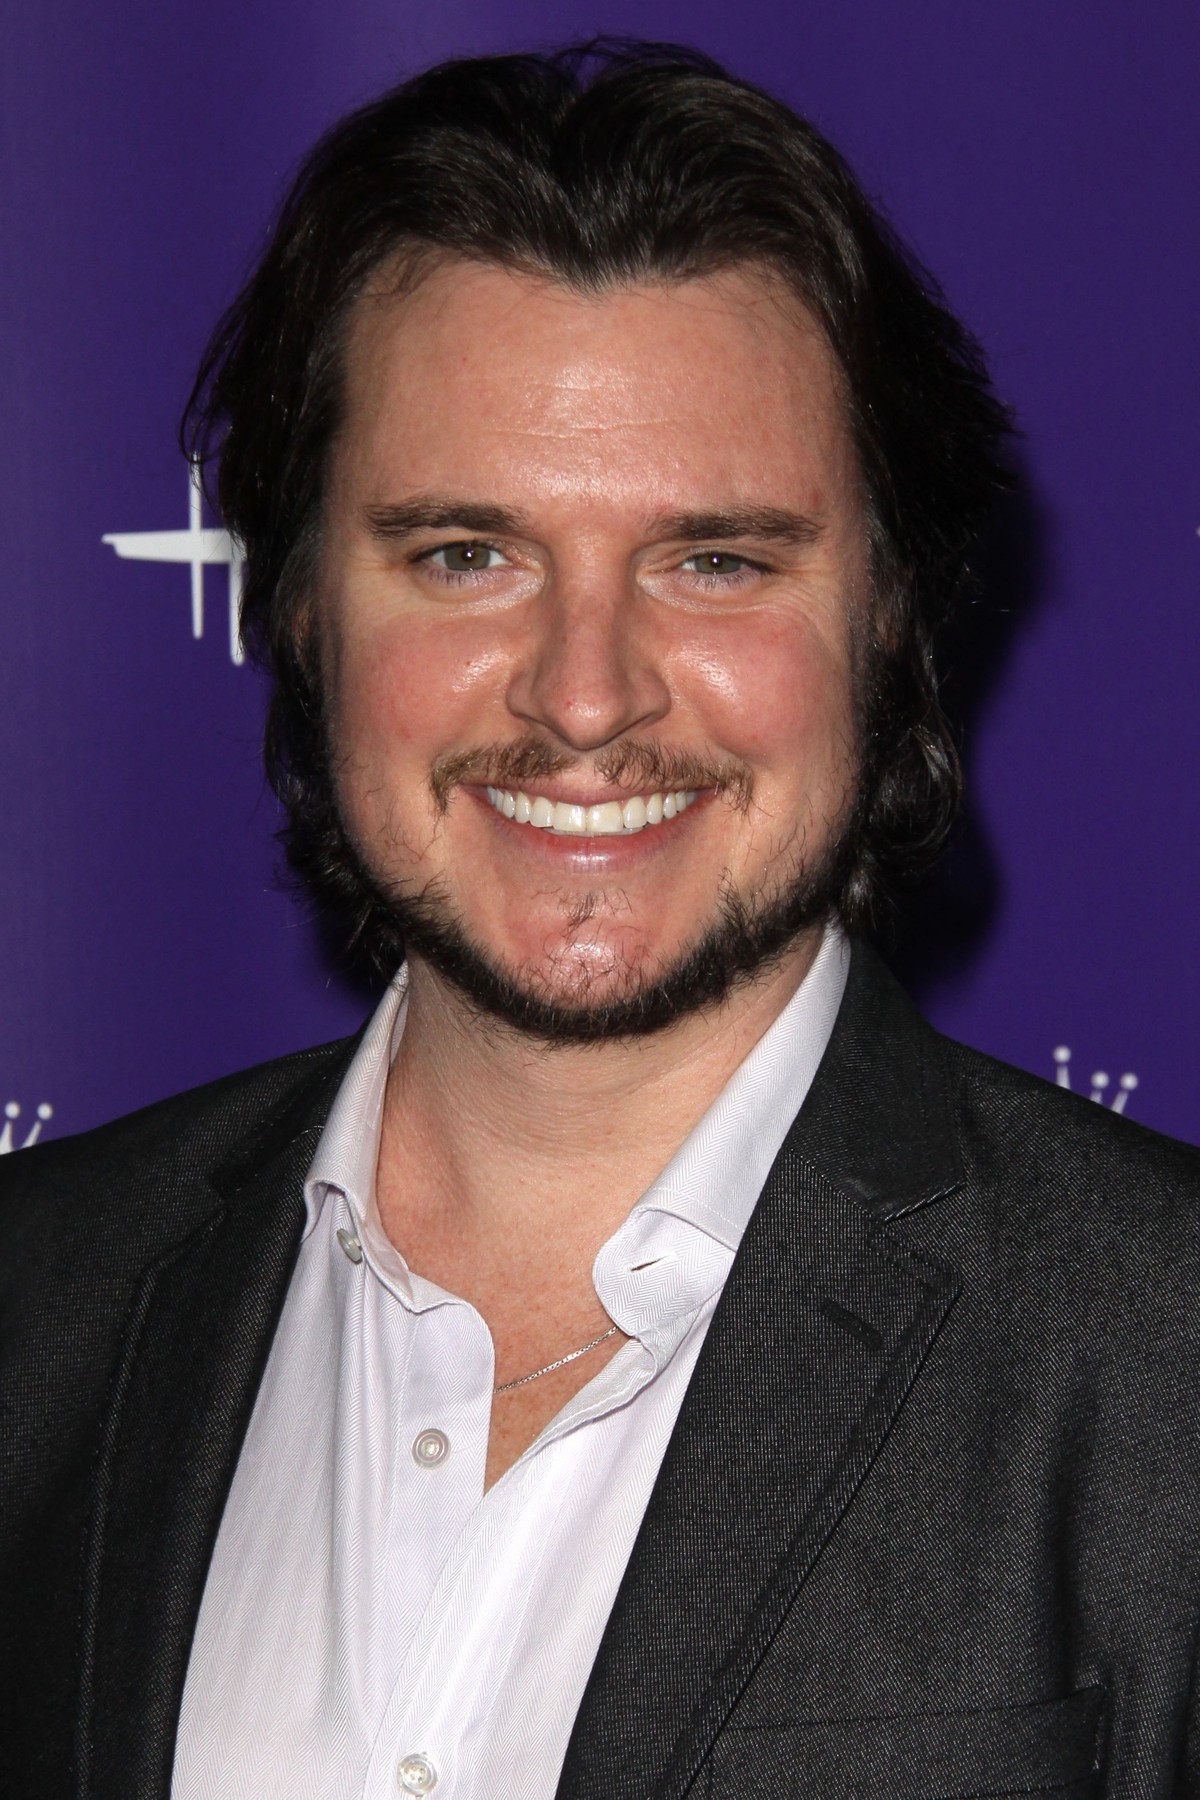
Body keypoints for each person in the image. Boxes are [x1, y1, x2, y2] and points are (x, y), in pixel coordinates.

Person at [3, 39, 1199, 1800]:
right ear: (303, 606)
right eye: (464, 555)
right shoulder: (38, 1303)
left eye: (715, 561)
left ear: (890, 618)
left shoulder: (1166, 1368)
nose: (583, 695)